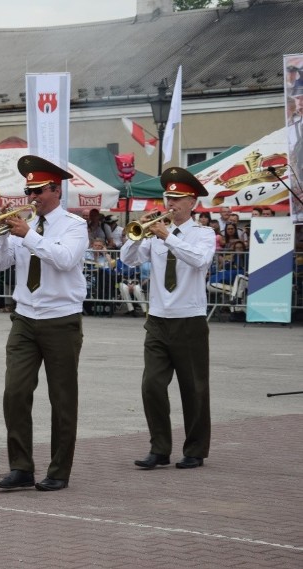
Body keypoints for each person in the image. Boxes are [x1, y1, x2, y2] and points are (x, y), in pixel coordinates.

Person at [0, 155, 88, 492]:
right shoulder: (23, 227)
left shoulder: (74, 226)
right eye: (28, 189)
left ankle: (59, 470)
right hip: (25, 319)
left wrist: (28, 234)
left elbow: (64, 260)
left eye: (38, 190)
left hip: (61, 320)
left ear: (55, 190)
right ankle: (21, 467)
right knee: (14, 393)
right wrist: (2, 235)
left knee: (62, 399)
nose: (32, 196)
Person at [120, 167, 215, 470]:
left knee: (194, 388)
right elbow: (128, 258)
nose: (170, 203)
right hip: (158, 319)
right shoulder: (157, 231)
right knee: (151, 385)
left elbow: (199, 260)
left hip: (189, 319)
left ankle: (195, 449)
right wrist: (137, 235)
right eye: (168, 197)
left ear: (192, 202)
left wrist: (169, 235)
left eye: (177, 198)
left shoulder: (203, 234)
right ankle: (159, 448)